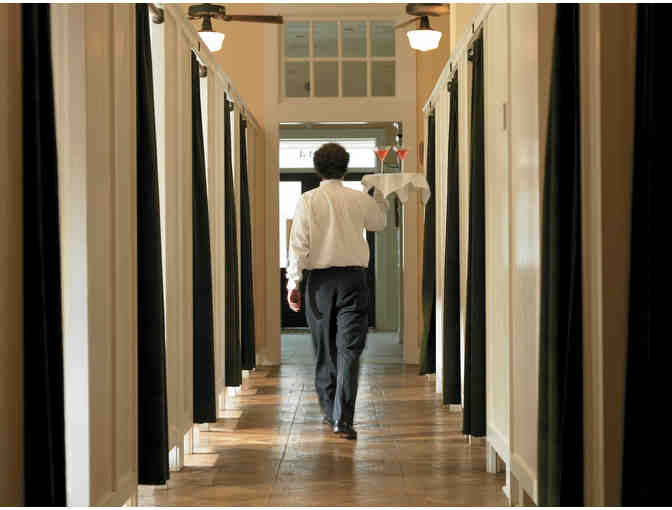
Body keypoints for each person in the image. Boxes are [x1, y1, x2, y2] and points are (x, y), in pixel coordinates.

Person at [286, 142, 388, 440]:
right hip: (354, 281)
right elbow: (379, 223)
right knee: (349, 351)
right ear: (345, 168)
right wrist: (379, 194)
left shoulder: (308, 200)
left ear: (317, 169)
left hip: (319, 283)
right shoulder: (358, 198)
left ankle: (331, 410)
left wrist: (293, 283)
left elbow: (298, 245)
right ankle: (342, 420)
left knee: (324, 351)